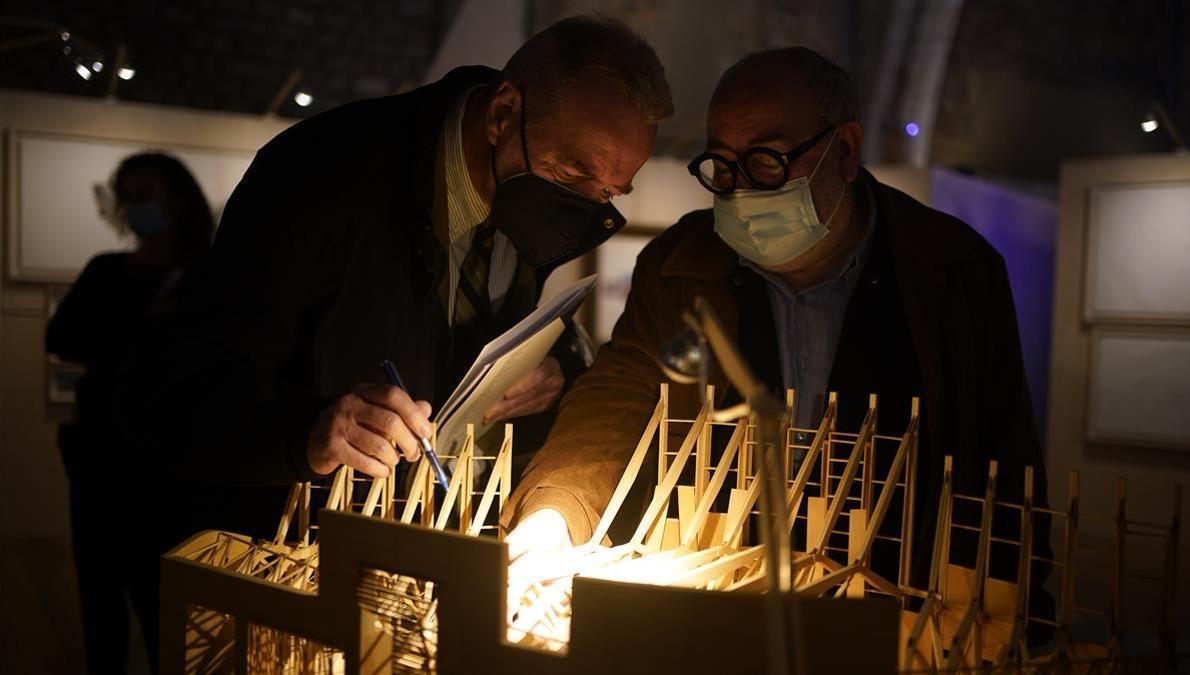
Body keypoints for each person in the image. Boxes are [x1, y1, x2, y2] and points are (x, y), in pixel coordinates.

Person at [502, 47, 1052, 594]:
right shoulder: (679, 265)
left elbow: (1000, 453)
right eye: (722, 163)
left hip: (895, 605)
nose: (740, 188)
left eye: (768, 159)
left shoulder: (953, 270)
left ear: (845, 150)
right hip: (721, 595)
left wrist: (1013, 604)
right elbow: (616, 397)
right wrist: (554, 513)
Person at [115, 16, 672, 550]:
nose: (585, 206)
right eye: (572, 175)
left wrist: (556, 370)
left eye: (610, 194)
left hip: (428, 552)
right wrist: (312, 431)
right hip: (284, 555)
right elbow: (192, 388)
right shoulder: (321, 174)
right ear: (502, 114)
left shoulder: (534, 201)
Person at [47, 152, 214, 674]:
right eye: (130, 195)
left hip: (166, 470)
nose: (135, 206)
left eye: (147, 193)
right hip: (100, 460)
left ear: (177, 199)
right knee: (99, 598)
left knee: (162, 601)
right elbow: (62, 337)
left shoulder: (204, 279)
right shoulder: (107, 270)